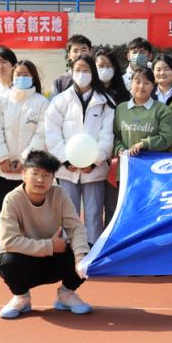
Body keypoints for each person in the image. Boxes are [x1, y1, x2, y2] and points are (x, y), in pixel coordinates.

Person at [0, 150, 92, 319]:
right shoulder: (12, 199)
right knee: (6, 261)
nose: (40, 180)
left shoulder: (59, 194)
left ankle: (66, 295)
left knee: (88, 251)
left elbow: (76, 228)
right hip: (26, 260)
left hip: (54, 259)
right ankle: (22, 297)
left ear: (53, 178)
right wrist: (50, 246)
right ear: (23, 174)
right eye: (35, 173)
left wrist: (80, 258)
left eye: (47, 175)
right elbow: (8, 242)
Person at [45, 54, 116, 247]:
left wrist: (94, 161)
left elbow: (107, 136)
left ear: (93, 73)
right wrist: (66, 160)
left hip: (95, 170)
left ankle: (93, 249)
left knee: (94, 212)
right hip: (66, 170)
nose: (82, 74)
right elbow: (52, 133)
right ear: (71, 72)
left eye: (86, 70)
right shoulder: (60, 101)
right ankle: (70, 251)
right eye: (77, 70)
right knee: (69, 213)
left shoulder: (106, 102)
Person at [0, 59, 50, 260]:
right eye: (18, 75)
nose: (21, 78)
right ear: (12, 77)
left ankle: (30, 246)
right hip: (4, 167)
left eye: (26, 75)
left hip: (29, 168)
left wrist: (25, 161)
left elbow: (41, 134)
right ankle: (3, 244)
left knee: (29, 210)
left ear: (33, 77)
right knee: (5, 209)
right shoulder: (1, 100)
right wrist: (2, 158)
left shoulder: (41, 102)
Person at [113, 67, 172, 160]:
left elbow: (167, 138)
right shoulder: (121, 109)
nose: (141, 86)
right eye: (137, 82)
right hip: (126, 163)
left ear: (153, 86)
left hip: (153, 164)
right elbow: (115, 136)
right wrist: (120, 149)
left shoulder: (162, 110)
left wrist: (145, 144)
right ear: (131, 83)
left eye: (146, 83)